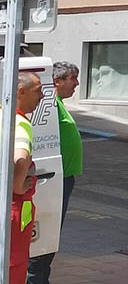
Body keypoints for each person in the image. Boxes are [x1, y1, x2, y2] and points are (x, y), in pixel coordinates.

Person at [27, 62, 82, 284]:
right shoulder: (47, 106)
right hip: (49, 180)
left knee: (47, 238)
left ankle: (40, 277)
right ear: (56, 81)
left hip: (59, 179)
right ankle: (35, 279)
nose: (77, 83)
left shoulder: (54, 104)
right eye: (72, 78)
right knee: (42, 238)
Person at [11, 72, 44, 284]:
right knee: (14, 267)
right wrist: (18, 186)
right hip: (15, 211)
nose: (42, 96)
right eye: (38, 90)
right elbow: (21, 158)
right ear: (21, 92)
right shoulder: (21, 124)